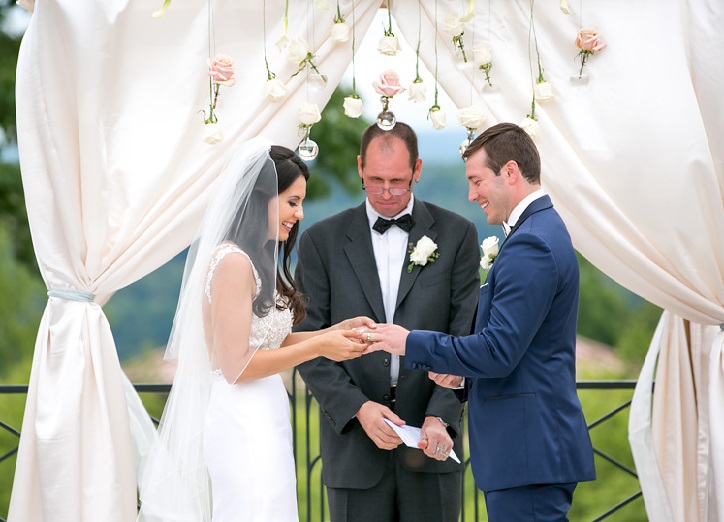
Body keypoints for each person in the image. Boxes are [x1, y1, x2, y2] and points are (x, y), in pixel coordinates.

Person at [364, 122, 596, 521]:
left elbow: (497, 350)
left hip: (527, 452)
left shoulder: (532, 243)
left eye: (476, 181)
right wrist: (463, 377)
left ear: (509, 172)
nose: (471, 195)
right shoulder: (538, 232)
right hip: (529, 452)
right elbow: (518, 349)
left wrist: (410, 343)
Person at [137, 137, 372, 522]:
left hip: (265, 412)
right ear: (261, 197)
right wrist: (320, 348)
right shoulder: (232, 263)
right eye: (292, 201)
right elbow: (237, 367)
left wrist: (333, 332)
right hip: (241, 419)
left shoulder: (253, 258)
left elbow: (267, 341)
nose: (299, 214)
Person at [294, 122, 480, 522]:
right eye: (375, 180)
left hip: (432, 444)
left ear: (418, 170)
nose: (386, 193)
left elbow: (466, 334)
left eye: (397, 181)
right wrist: (358, 408)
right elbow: (309, 344)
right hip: (353, 448)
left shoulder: (458, 234)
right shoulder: (320, 242)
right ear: (360, 166)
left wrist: (441, 415)